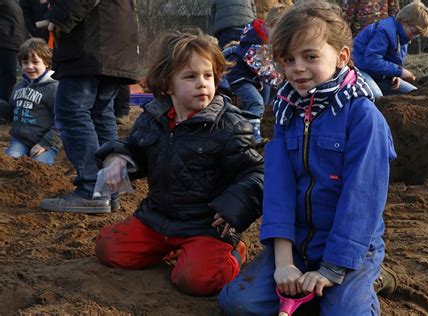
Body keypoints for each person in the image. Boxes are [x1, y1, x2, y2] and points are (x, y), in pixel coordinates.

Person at [219, 2, 397, 315]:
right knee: (238, 304)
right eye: (288, 59)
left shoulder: (363, 116)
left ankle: (375, 277)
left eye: (310, 56)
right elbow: (279, 190)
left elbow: (362, 198)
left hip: (350, 247)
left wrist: (333, 268)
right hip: (298, 243)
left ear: (341, 56)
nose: (297, 67)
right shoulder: (286, 113)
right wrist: (284, 263)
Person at [93, 29, 264, 297]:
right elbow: (136, 148)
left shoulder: (230, 125)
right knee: (108, 249)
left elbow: (255, 172)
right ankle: (175, 249)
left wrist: (235, 206)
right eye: (190, 76)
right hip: (156, 217)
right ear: (167, 84)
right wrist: (118, 158)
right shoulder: (153, 117)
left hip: (206, 225)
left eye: (208, 76)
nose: (202, 83)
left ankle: (232, 251)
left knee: (198, 280)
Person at [38, 0, 139, 213]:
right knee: (101, 114)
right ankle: (108, 189)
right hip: (113, 41)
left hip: (90, 42)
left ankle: (92, 190)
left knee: (71, 112)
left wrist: (59, 16)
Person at [225, 4, 288, 145]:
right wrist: (285, 79)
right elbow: (265, 70)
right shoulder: (254, 43)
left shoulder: (263, 39)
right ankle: (253, 137)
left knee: (265, 99)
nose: (281, 39)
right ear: (270, 26)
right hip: (238, 77)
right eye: (280, 34)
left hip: (251, 77)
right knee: (256, 103)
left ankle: (256, 124)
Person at [352, 1, 428, 98]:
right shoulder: (384, 30)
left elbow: (393, 60)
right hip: (360, 69)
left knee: (414, 92)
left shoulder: (403, 37)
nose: (413, 37)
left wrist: (394, 75)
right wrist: (400, 72)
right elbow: (372, 61)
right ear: (404, 22)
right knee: (377, 96)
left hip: (378, 74)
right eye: (414, 32)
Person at [5, 37, 60, 166]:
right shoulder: (19, 86)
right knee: (11, 164)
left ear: (46, 63)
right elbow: (12, 111)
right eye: (25, 62)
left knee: (39, 167)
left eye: (35, 62)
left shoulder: (54, 88)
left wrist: (45, 143)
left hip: (45, 141)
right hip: (20, 140)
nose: (30, 67)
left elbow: (62, 121)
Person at [0, 0, 29, 104]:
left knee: (10, 76)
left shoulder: (15, 3)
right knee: (8, 76)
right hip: (6, 40)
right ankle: (4, 106)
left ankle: (6, 105)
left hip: (15, 41)